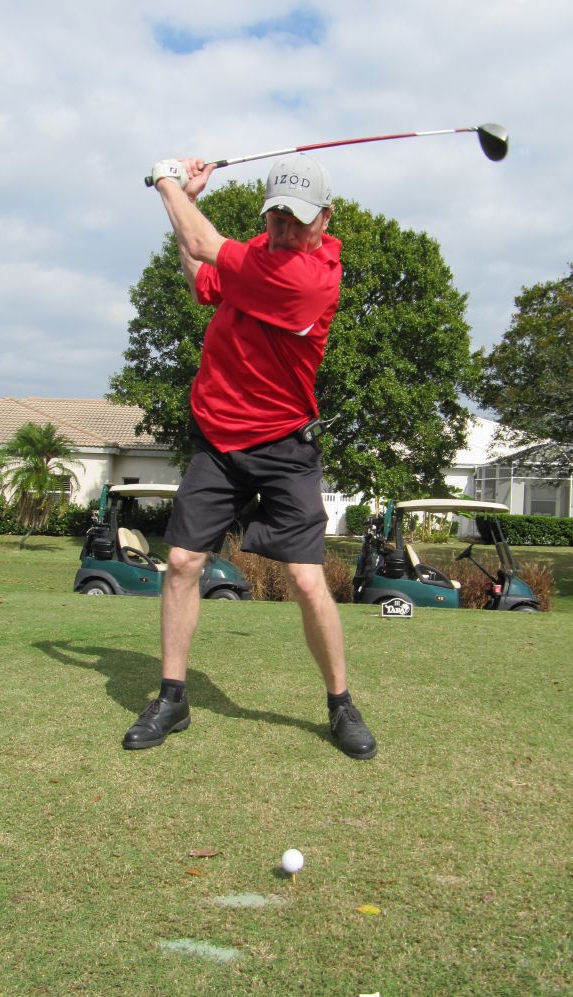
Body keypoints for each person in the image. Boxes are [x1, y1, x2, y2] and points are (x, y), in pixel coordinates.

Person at [121, 153, 377, 761]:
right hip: (218, 439)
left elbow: (202, 241)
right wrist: (184, 200)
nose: (284, 230)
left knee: (306, 580)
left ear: (324, 219)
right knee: (181, 562)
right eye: (276, 218)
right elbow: (200, 276)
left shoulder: (308, 278)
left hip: (284, 445)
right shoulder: (259, 254)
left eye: (297, 221)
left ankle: (341, 703)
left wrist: (167, 183)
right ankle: (172, 697)